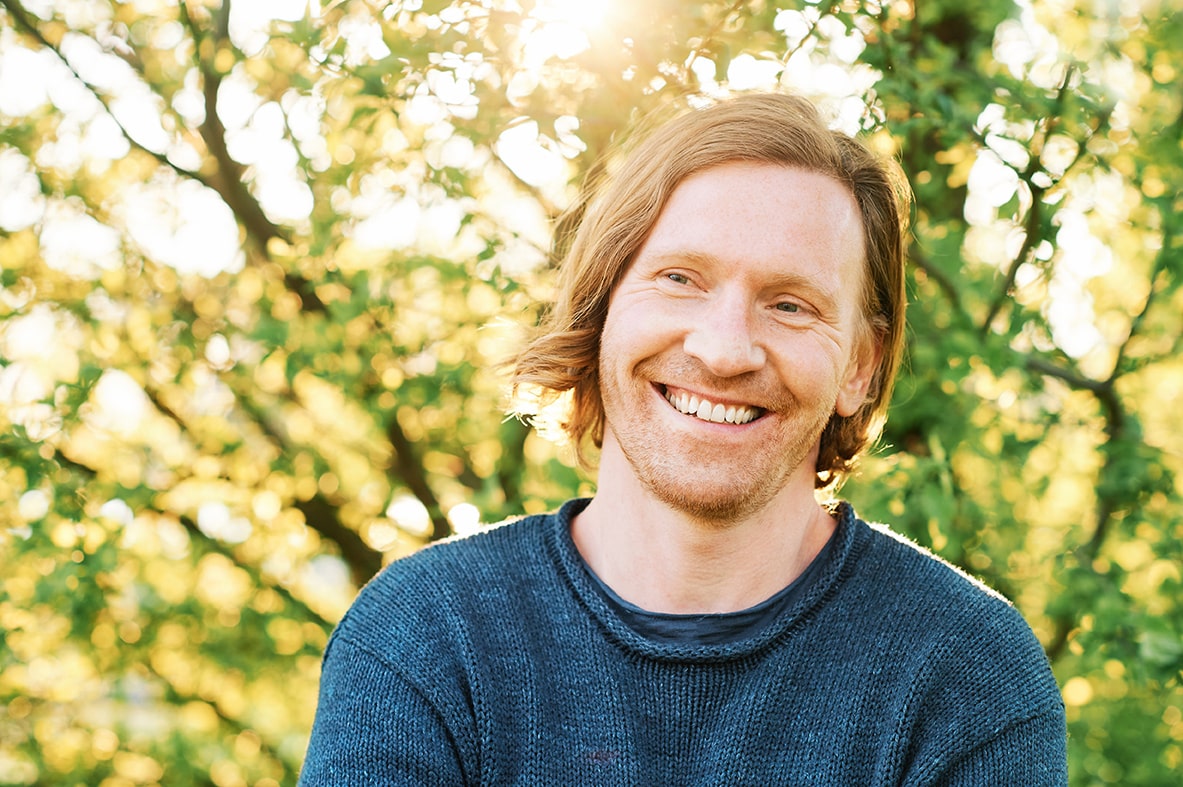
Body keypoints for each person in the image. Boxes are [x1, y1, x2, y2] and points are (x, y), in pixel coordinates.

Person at [299, 92, 1068, 785]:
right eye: (679, 279)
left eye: (791, 304)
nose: (724, 349)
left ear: (859, 368)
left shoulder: (966, 672)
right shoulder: (426, 636)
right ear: (602, 308)